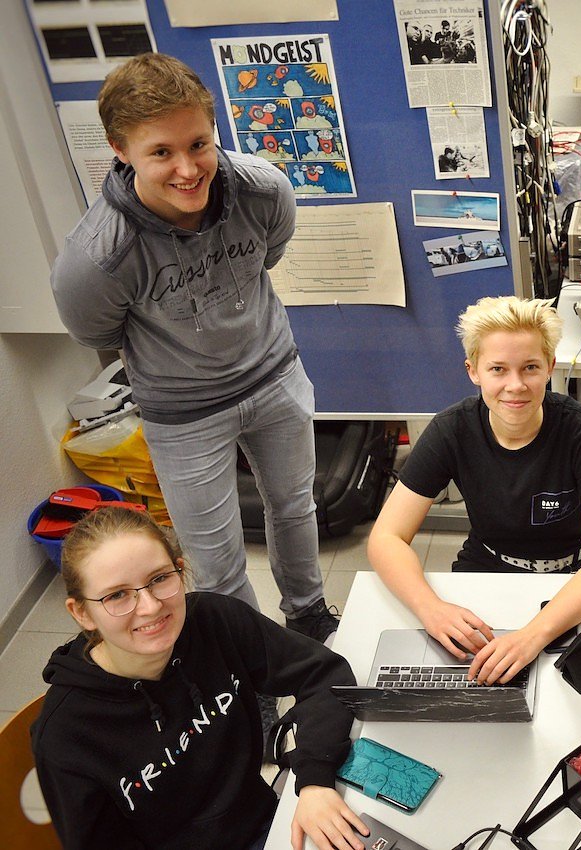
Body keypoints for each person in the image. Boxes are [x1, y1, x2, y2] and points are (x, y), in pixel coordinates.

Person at [49, 53, 338, 643]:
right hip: (183, 413)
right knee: (216, 561)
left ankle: (307, 612)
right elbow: (98, 333)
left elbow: (270, 254)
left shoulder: (263, 191)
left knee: (295, 507)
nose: (187, 169)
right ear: (120, 150)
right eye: (161, 152)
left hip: (274, 376)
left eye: (199, 144)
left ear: (214, 131)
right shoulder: (97, 257)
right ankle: (246, 653)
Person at [31, 507, 366, 850]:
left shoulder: (214, 619)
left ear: (180, 569)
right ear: (82, 612)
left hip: (265, 821)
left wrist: (315, 780)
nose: (150, 607)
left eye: (160, 578)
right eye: (117, 595)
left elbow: (323, 675)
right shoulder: (65, 736)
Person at [367, 296, 581, 685]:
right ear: (473, 371)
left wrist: (533, 635)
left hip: (573, 576)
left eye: (530, 368)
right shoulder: (451, 430)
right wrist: (430, 608)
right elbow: (386, 537)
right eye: (497, 369)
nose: (515, 386)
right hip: (487, 568)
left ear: (550, 366)